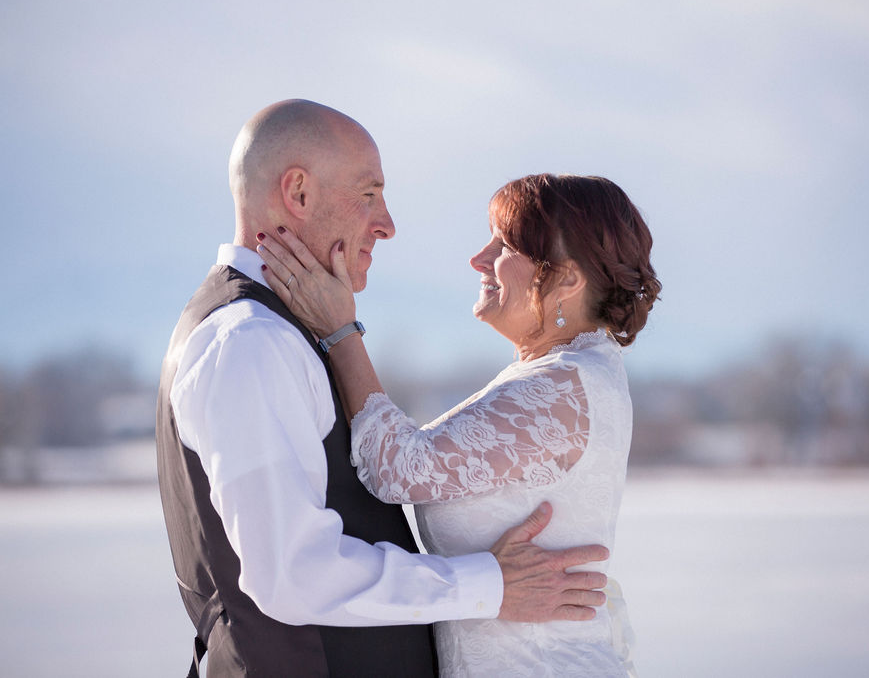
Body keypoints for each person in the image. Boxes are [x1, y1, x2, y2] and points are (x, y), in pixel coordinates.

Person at [155, 100, 611, 678]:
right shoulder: (249, 341)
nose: (387, 223)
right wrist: (488, 585)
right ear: (297, 194)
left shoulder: (280, 331)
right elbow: (292, 574)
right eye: (368, 194)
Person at [256, 172, 661, 676]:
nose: (478, 259)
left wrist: (341, 330)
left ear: (569, 278)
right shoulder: (570, 374)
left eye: (506, 244)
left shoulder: (561, 389)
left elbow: (396, 466)